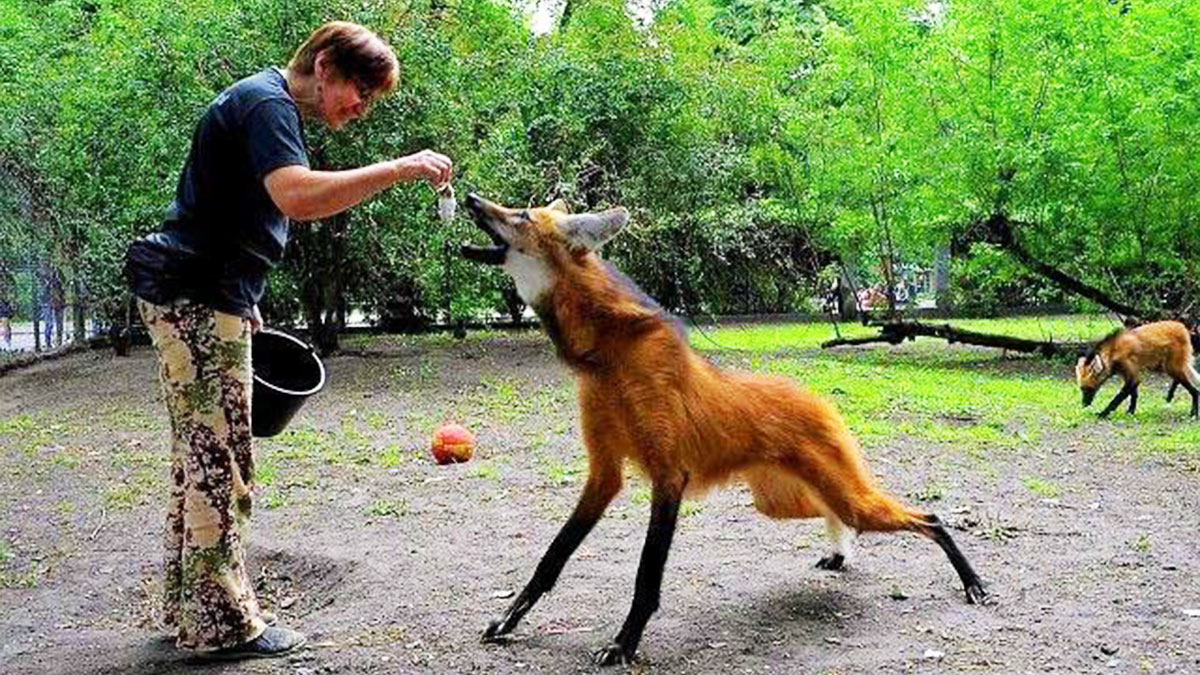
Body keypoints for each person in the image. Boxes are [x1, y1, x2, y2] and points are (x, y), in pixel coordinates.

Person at [123, 21, 452, 660]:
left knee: (202, 456)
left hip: (203, 294)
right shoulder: (269, 104)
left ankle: (186, 607)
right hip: (193, 297)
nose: (360, 107)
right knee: (222, 461)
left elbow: (230, 216)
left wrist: (242, 302)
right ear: (324, 64)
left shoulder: (263, 105)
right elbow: (296, 198)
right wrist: (401, 167)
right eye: (359, 90)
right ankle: (224, 626)